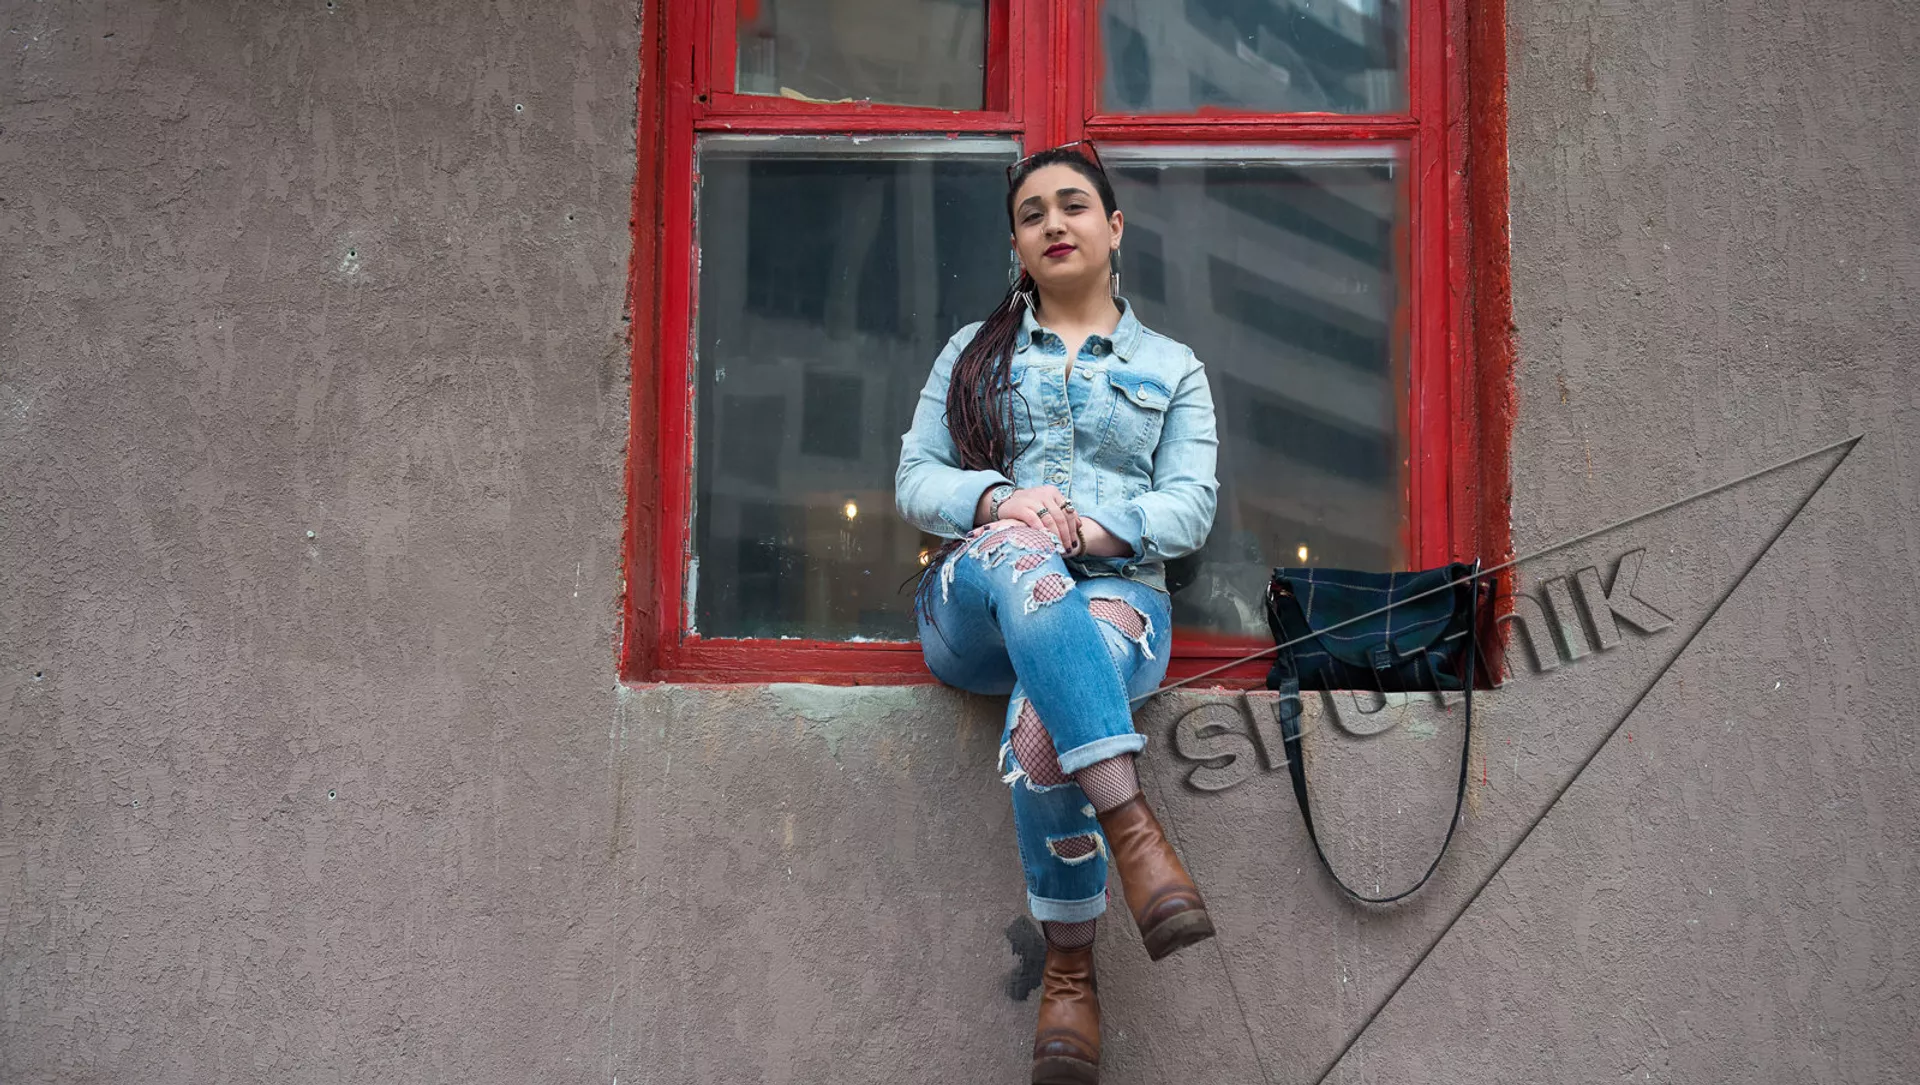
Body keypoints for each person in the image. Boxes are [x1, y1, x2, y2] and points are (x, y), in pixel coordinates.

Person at [895, 141, 1220, 1085]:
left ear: (1113, 227)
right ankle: (1134, 829)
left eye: (1073, 205)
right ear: (1018, 244)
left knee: (1043, 726)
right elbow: (915, 478)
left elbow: (1190, 506)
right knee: (1021, 551)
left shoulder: (1172, 366)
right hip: (976, 606)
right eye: (1032, 214)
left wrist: (1089, 527)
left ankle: (1071, 971)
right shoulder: (975, 353)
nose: (1053, 224)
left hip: (1118, 593)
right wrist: (1001, 501)